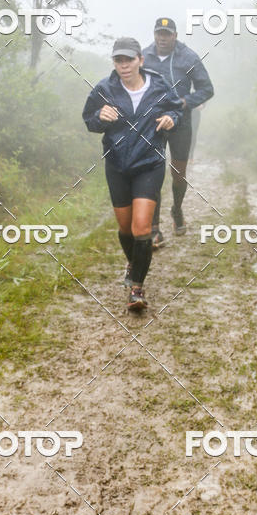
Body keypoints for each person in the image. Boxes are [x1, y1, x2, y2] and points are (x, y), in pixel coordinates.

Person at [82, 37, 183, 312]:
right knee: (125, 229)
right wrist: (99, 117)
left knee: (141, 228)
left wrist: (172, 119)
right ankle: (134, 262)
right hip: (117, 165)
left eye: (129, 60)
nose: (124, 65)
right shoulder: (105, 88)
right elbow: (89, 120)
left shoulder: (159, 85)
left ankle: (136, 288)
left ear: (141, 60)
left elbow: (176, 109)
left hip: (149, 163)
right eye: (119, 60)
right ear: (114, 63)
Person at [142, 17, 214, 247]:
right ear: (154, 34)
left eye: (167, 34)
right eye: (159, 34)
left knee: (178, 173)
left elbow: (207, 89)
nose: (162, 38)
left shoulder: (188, 57)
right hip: (153, 123)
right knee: (152, 173)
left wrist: (186, 102)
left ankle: (176, 209)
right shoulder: (143, 57)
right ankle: (154, 228)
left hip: (180, 122)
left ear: (175, 35)